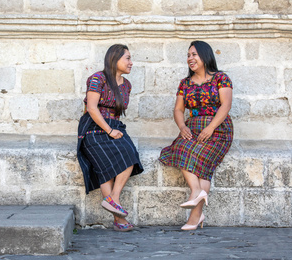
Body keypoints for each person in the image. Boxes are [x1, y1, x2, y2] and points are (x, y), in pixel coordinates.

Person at [159, 40, 233, 231]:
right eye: (188, 55)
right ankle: (197, 193)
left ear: (205, 56)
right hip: (193, 126)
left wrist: (211, 128)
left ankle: (195, 215)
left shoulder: (221, 78)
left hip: (218, 129)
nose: (190, 59)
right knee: (182, 148)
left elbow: (225, 105)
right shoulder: (185, 83)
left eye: (194, 55)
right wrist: (182, 126)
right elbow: (178, 109)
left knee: (203, 164)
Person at [76, 44, 143, 232]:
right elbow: (91, 108)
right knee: (104, 168)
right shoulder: (98, 78)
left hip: (114, 125)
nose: (131, 62)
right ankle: (119, 220)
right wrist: (108, 130)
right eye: (127, 58)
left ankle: (112, 198)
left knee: (129, 154)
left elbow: (118, 112)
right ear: (115, 59)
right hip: (93, 127)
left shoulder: (126, 85)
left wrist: (113, 130)